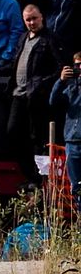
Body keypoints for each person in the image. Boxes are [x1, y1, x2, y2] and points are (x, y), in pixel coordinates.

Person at [7, 5, 65, 184]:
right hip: (19, 94)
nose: (31, 23)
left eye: (34, 18)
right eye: (28, 20)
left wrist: (42, 84)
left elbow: (60, 67)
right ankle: (29, 174)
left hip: (38, 97)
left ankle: (41, 179)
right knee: (13, 132)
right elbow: (15, 63)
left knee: (38, 137)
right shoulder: (23, 38)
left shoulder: (50, 39)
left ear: (42, 17)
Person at [49, 52, 81, 214]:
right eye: (77, 66)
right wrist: (61, 81)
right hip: (72, 141)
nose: (79, 69)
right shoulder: (71, 86)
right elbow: (53, 102)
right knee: (76, 185)